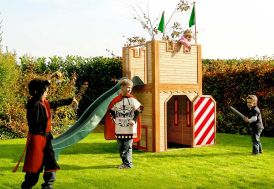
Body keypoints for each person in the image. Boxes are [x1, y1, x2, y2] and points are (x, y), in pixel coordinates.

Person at [21, 78, 78, 189]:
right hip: (38, 139)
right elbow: (36, 123)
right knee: (35, 167)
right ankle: (27, 186)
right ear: (39, 92)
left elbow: (54, 103)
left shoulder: (43, 102)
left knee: (50, 162)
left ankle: (48, 186)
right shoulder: (34, 104)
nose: (47, 93)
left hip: (46, 138)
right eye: (45, 91)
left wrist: (70, 100)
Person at [104, 78, 142, 169]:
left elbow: (139, 110)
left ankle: (128, 164)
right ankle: (124, 162)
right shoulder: (116, 100)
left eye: (131, 88)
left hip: (129, 128)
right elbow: (111, 111)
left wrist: (134, 120)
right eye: (128, 87)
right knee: (121, 147)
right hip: (119, 128)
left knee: (128, 146)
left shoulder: (132, 100)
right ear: (122, 87)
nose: (130, 89)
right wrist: (114, 119)